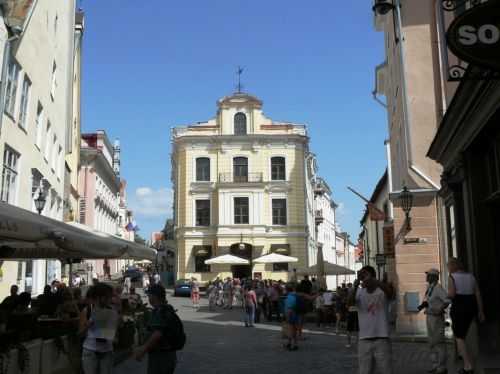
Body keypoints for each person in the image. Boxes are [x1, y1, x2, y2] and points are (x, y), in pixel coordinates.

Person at [348, 265, 393, 374]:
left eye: (366, 275)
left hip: (381, 338)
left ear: (373, 277)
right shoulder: (359, 292)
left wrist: (374, 280)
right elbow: (349, 303)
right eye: (362, 276)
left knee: (386, 370)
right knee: (364, 371)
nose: (364, 279)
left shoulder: (381, 291)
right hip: (364, 339)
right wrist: (356, 284)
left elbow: (390, 294)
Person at [447, 257, 484, 374]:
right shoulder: (470, 276)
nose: (448, 268)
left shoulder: (452, 277)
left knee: (459, 337)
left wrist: (445, 297)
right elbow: (477, 293)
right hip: (471, 307)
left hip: (459, 308)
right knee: (470, 335)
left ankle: (467, 366)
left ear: (453, 266)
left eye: (448, 266)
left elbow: (452, 294)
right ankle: (474, 364)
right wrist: (480, 311)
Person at [133, 284, 178, 374]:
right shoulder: (168, 309)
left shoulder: (160, 311)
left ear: (154, 297)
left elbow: (158, 333)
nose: (148, 298)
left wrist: (143, 350)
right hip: (168, 355)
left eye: (149, 296)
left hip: (160, 356)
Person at [80, 283, 118, 374]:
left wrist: (114, 335)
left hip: (107, 351)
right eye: (107, 297)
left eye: (110, 297)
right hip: (90, 351)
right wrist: (89, 324)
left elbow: (114, 333)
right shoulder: (87, 311)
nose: (110, 300)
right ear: (99, 297)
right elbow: (80, 334)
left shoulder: (112, 311)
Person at [417, 268, 449, 374]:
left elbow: (447, 300)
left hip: (436, 318)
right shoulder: (430, 287)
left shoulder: (438, 288)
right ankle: (435, 365)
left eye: (429, 275)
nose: (426, 277)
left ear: (434, 277)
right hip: (429, 316)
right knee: (431, 342)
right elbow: (429, 300)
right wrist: (423, 305)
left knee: (439, 342)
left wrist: (440, 309)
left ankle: (441, 367)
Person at [284, 283, 299, 351]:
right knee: (294, 330)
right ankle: (290, 343)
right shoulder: (295, 295)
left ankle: (293, 345)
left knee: (291, 330)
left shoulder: (290, 297)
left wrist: (287, 317)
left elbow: (289, 309)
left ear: (287, 290)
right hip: (295, 314)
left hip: (291, 315)